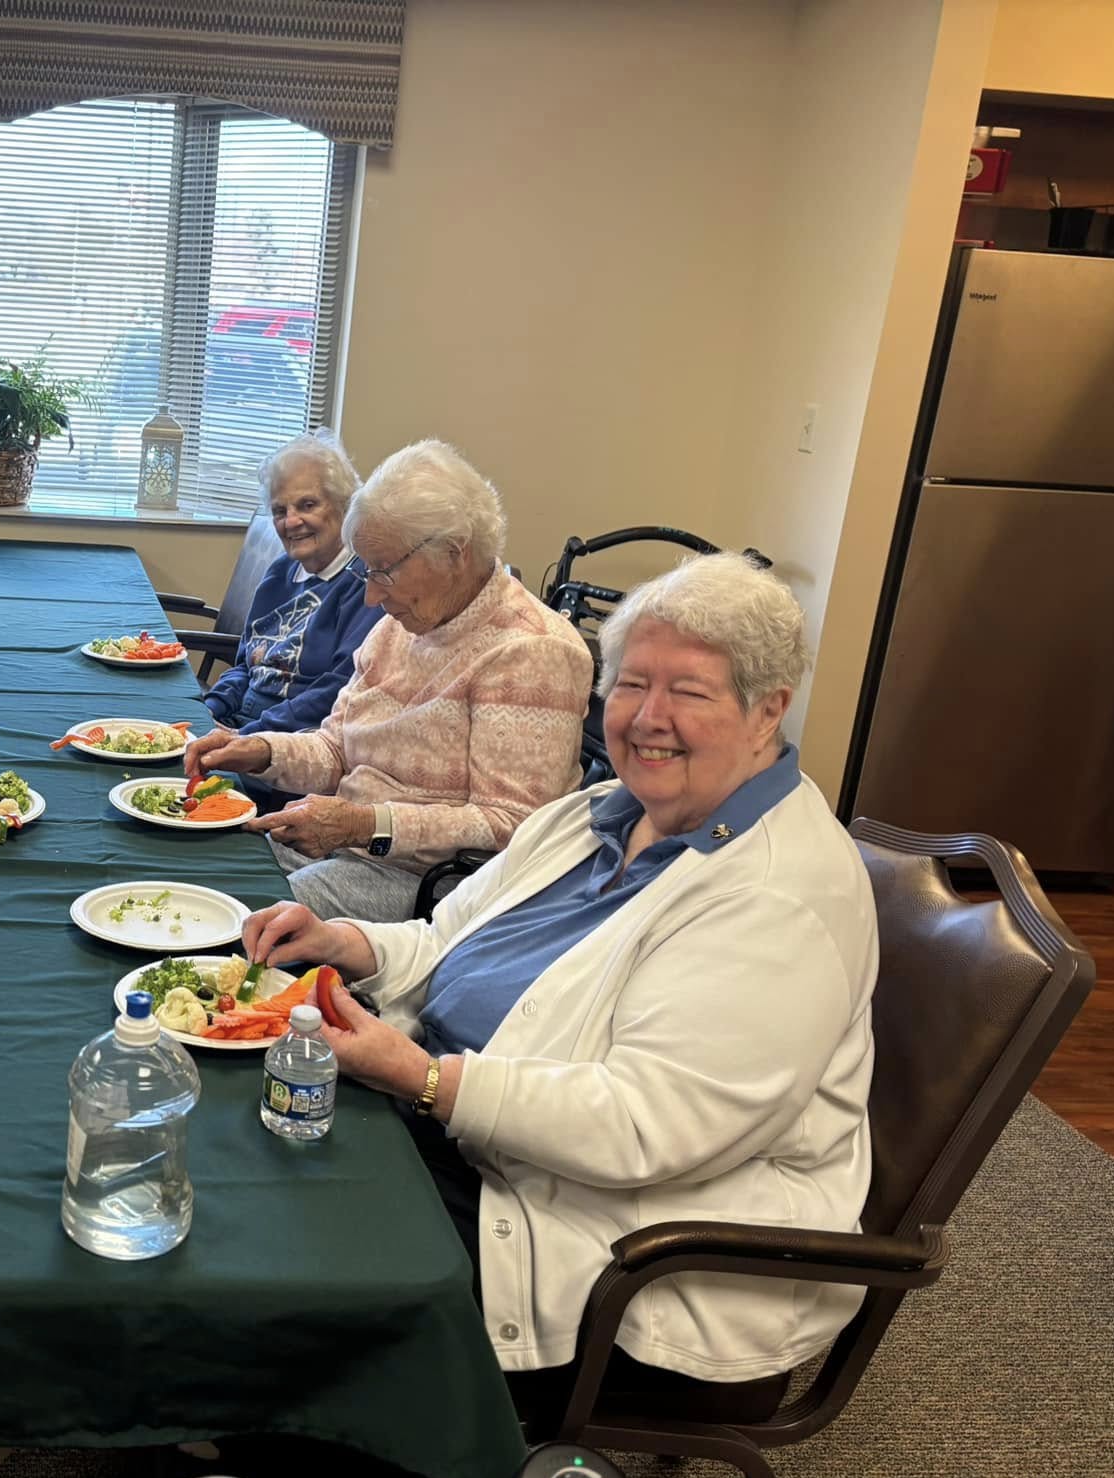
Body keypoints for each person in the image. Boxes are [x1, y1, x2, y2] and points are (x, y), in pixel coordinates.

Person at [240, 553, 876, 1400]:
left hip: (617, 1244)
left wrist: (426, 1079)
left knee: (295, 1237)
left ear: (768, 711)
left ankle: (311, 1441)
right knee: (252, 1142)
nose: (648, 718)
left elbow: (644, 1125)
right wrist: (348, 943)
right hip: (468, 1133)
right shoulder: (599, 814)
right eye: (632, 684)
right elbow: (448, 941)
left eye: (689, 692)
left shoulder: (780, 897)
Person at [186, 439, 592, 922]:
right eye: (367, 572)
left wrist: (364, 824)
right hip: (343, 847)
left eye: (383, 572)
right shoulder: (402, 624)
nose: (372, 597)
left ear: (454, 554)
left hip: (426, 883)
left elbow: (511, 825)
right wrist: (260, 751)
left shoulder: (532, 651)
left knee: (228, 915)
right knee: (198, 866)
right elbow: (335, 748)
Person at [203, 432, 382, 734]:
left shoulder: (365, 583)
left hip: (292, 741)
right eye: (279, 511)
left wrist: (249, 737)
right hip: (241, 728)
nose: (291, 521)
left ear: (344, 504)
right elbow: (246, 667)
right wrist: (210, 709)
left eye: (307, 505)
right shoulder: (281, 572)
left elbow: (339, 690)